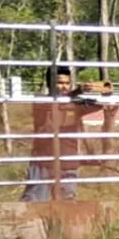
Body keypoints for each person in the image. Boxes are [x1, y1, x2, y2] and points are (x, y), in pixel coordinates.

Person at [21, 67, 104, 202]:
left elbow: (102, 105)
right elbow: (57, 104)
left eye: (67, 83)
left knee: (67, 205)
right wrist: (77, 92)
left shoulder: (75, 103)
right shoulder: (41, 100)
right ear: (49, 84)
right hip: (43, 164)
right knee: (34, 203)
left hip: (68, 163)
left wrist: (103, 91)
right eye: (59, 83)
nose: (63, 87)